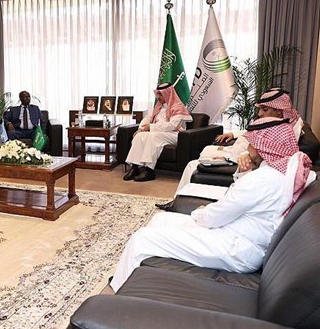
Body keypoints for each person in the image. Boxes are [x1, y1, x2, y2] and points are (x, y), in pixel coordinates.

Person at [110, 116, 315, 292]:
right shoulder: (278, 171)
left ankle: (118, 289)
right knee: (160, 220)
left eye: (252, 144)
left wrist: (200, 213)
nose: (248, 148)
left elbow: (217, 215)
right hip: (237, 234)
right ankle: (135, 276)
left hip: (235, 247)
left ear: (264, 147)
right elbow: (237, 201)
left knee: (142, 238)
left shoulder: (263, 179)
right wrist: (243, 172)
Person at [157, 88, 304, 209]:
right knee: (202, 154)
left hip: (238, 158)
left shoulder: (286, 130)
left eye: (264, 109)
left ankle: (179, 202)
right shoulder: (276, 124)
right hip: (235, 151)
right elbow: (254, 135)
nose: (260, 114)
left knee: (193, 164)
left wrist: (243, 155)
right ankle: (179, 200)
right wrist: (233, 134)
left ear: (279, 111)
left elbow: (272, 153)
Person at [123, 82, 193, 182]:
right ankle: (135, 168)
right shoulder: (158, 106)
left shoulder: (178, 107)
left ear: (168, 94)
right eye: (157, 94)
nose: (158, 97)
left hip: (175, 134)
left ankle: (149, 171)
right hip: (157, 132)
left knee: (153, 137)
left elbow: (172, 126)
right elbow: (148, 118)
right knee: (139, 136)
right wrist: (141, 129)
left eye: (161, 94)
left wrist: (150, 127)